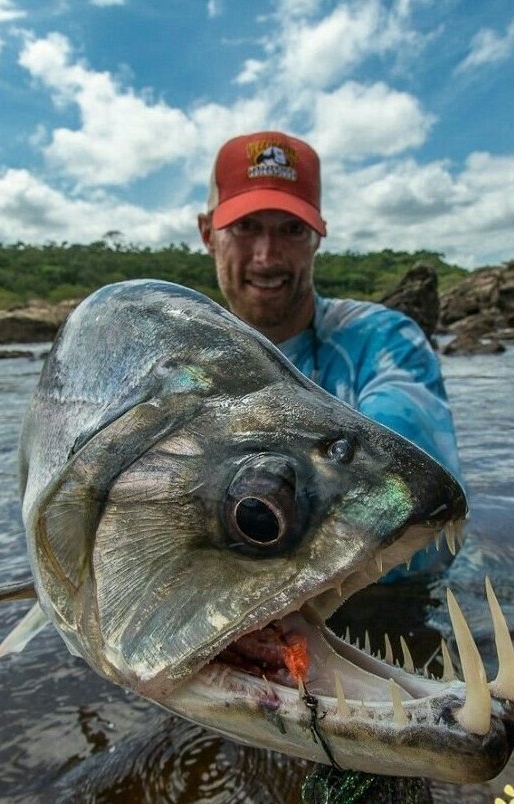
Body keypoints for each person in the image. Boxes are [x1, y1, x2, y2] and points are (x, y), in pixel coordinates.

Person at [198, 131, 464, 577]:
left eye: (291, 230)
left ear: (317, 237)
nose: (266, 256)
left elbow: (399, 486)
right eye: (246, 227)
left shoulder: (385, 340)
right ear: (208, 234)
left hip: (389, 602)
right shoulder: (184, 367)